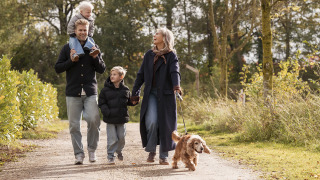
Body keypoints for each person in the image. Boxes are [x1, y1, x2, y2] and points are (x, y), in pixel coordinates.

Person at [55, 19, 106, 165]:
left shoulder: (94, 47)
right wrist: (71, 60)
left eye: (85, 30)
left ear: (88, 31)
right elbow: (58, 68)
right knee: (74, 126)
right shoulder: (67, 48)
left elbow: (102, 69)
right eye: (80, 30)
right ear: (75, 31)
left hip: (90, 92)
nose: (83, 32)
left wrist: (96, 58)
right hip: (73, 92)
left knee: (94, 120)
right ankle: (78, 154)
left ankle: (92, 150)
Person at [131, 27, 182, 165]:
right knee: (152, 121)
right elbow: (141, 75)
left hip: (166, 94)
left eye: (157, 33)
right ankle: (152, 149)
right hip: (150, 93)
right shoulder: (149, 55)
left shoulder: (171, 55)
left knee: (166, 124)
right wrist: (135, 92)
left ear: (165, 37)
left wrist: (176, 86)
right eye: (154, 33)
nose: (154, 35)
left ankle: (163, 155)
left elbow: (174, 71)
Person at [98, 66, 136, 165]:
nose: (112, 76)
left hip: (121, 118)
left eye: (114, 74)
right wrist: (106, 111)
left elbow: (128, 102)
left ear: (121, 76)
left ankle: (119, 150)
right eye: (111, 74)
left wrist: (134, 102)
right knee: (112, 138)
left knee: (121, 137)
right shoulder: (105, 90)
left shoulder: (125, 89)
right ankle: (111, 155)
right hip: (110, 118)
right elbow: (101, 102)